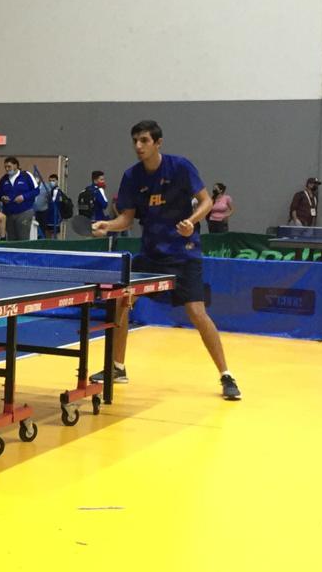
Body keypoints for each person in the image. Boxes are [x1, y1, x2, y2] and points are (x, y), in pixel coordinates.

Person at [90, 120, 241, 401]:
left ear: (158, 143)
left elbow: (206, 201)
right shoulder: (132, 176)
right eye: (135, 141)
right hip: (151, 254)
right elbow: (126, 218)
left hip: (184, 253)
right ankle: (117, 367)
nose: (138, 146)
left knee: (196, 312)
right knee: (120, 300)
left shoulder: (180, 167)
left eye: (144, 140)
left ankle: (226, 374)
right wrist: (107, 226)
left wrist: (192, 222)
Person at [0, 156, 39, 240]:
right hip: (9, 213)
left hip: (24, 211)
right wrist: (2, 197)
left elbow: (36, 191)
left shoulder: (26, 176)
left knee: (23, 237)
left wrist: (24, 197)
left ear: (15, 165)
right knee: (11, 239)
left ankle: (23, 253)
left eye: (9, 166)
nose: (7, 169)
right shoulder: (4, 179)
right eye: (5, 167)